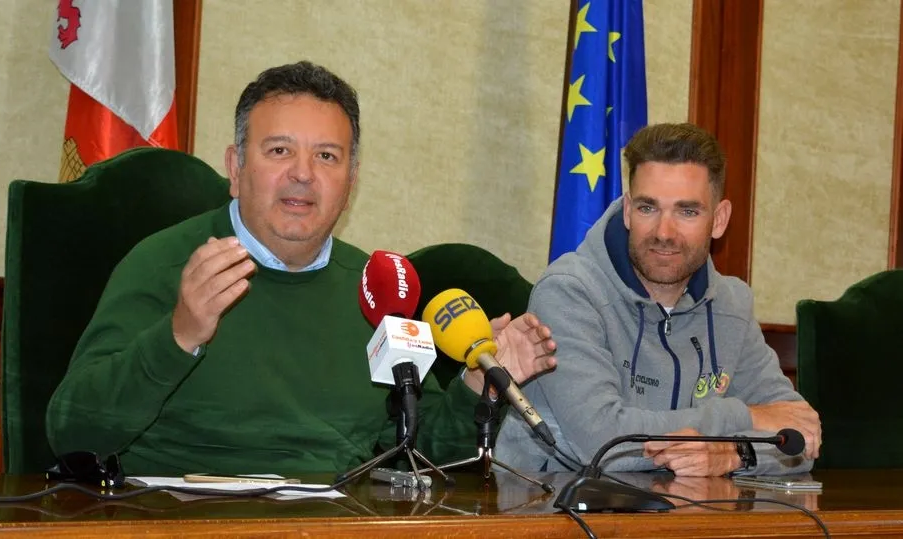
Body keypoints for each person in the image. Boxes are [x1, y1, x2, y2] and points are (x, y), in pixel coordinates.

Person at [46, 61, 557, 476]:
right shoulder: (167, 264)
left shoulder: (377, 288)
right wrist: (178, 337)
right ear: (235, 168)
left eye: (327, 156)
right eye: (279, 150)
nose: (303, 174)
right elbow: (73, 433)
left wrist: (480, 387)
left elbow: (415, 448)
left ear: (351, 181)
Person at [496, 123, 821, 476]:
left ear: (719, 219)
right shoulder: (568, 292)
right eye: (648, 208)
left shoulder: (732, 305)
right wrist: (744, 418)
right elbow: (604, 443)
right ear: (627, 209)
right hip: (557, 512)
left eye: (687, 212)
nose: (664, 233)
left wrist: (735, 454)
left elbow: (801, 439)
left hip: (689, 515)